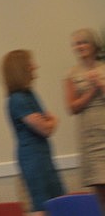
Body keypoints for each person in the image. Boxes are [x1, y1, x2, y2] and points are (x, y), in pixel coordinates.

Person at [1, 49, 65, 214]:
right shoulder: (17, 99)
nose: (35, 67)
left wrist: (50, 121)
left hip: (43, 155)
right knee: (42, 204)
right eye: (31, 64)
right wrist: (53, 120)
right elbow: (45, 128)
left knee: (58, 200)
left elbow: (46, 122)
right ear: (21, 68)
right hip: (32, 158)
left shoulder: (29, 95)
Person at [64, 28, 105, 211]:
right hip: (90, 138)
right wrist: (92, 90)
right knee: (100, 187)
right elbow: (72, 107)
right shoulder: (72, 74)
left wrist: (101, 86)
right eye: (76, 43)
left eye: (83, 42)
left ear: (93, 45)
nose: (80, 47)